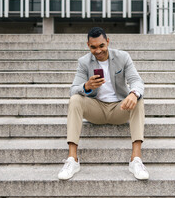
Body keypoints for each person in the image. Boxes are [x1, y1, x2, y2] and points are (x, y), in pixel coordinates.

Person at [58, 27, 149, 180]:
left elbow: (136, 81)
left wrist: (133, 93)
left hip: (119, 108)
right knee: (75, 99)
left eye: (101, 46)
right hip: (96, 109)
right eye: (93, 47)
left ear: (107, 41)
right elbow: (73, 89)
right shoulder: (84, 62)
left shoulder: (122, 57)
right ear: (88, 45)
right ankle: (72, 159)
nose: (98, 50)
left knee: (138, 99)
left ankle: (136, 160)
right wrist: (86, 86)